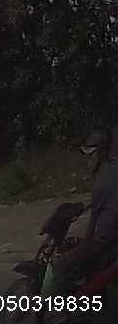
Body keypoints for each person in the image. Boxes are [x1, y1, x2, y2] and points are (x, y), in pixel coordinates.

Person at [42, 127, 118, 297]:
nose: (87, 160)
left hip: (105, 241)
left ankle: (64, 308)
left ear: (100, 153)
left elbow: (93, 223)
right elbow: (104, 202)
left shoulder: (101, 182)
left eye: (90, 155)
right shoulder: (113, 169)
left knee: (60, 265)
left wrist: (83, 242)